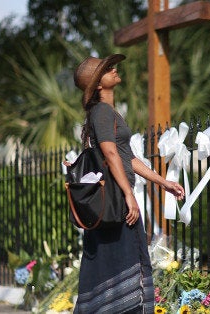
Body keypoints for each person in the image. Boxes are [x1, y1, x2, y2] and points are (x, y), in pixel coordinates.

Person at [72, 54, 185, 313]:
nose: (114, 69)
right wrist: (128, 194)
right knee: (118, 262)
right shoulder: (101, 111)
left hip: (116, 200)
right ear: (98, 85)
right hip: (115, 202)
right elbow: (111, 155)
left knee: (113, 265)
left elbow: (127, 158)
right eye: (107, 69)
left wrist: (162, 182)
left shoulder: (108, 112)